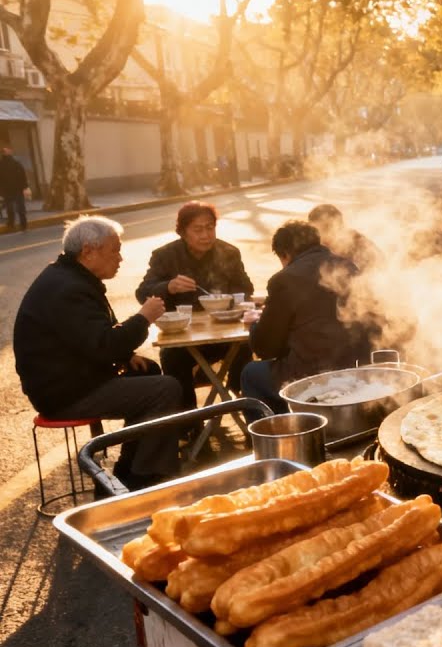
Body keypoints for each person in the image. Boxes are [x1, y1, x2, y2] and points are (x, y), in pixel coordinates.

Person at [14, 217, 181, 489]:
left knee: (147, 371)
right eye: (114, 250)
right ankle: (144, 478)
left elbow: (86, 337)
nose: (120, 258)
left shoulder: (70, 277)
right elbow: (104, 345)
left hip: (75, 379)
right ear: (88, 252)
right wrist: (144, 318)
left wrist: (125, 357)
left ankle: (127, 470)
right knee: (165, 389)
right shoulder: (68, 288)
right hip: (66, 393)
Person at [241, 221, 371, 414]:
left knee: (251, 373)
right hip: (356, 368)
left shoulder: (285, 279)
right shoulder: (349, 266)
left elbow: (265, 347)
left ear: (285, 254)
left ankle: (285, 429)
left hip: (312, 375)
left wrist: (253, 325)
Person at [136, 202, 254, 410]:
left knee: (245, 346)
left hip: (224, 331)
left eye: (210, 228)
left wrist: (228, 300)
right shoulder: (165, 256)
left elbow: (245, 288)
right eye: (198, 230)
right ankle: (189, 421)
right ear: (182, 232)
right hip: (182, 334)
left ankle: (244, 403)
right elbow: (143, 293)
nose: (205, 235)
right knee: (172, 357)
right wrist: (168, 287)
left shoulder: (228, 252)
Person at [307, 203, 382, 270]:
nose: (321, 236)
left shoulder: (359, 244)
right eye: (315, 231)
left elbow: (379, 266)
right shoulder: (313, 246)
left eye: (326, 228)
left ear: (340, 225)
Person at [0, 147, 30, 232]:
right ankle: (23, 225)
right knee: (20, 208)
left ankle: (11, 224)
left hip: (8, 190)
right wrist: (25, 187)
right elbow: (22, 175)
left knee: (10, 208)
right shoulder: (16, 163)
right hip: (17, 189)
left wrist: (1, 191)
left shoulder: (2, 164)